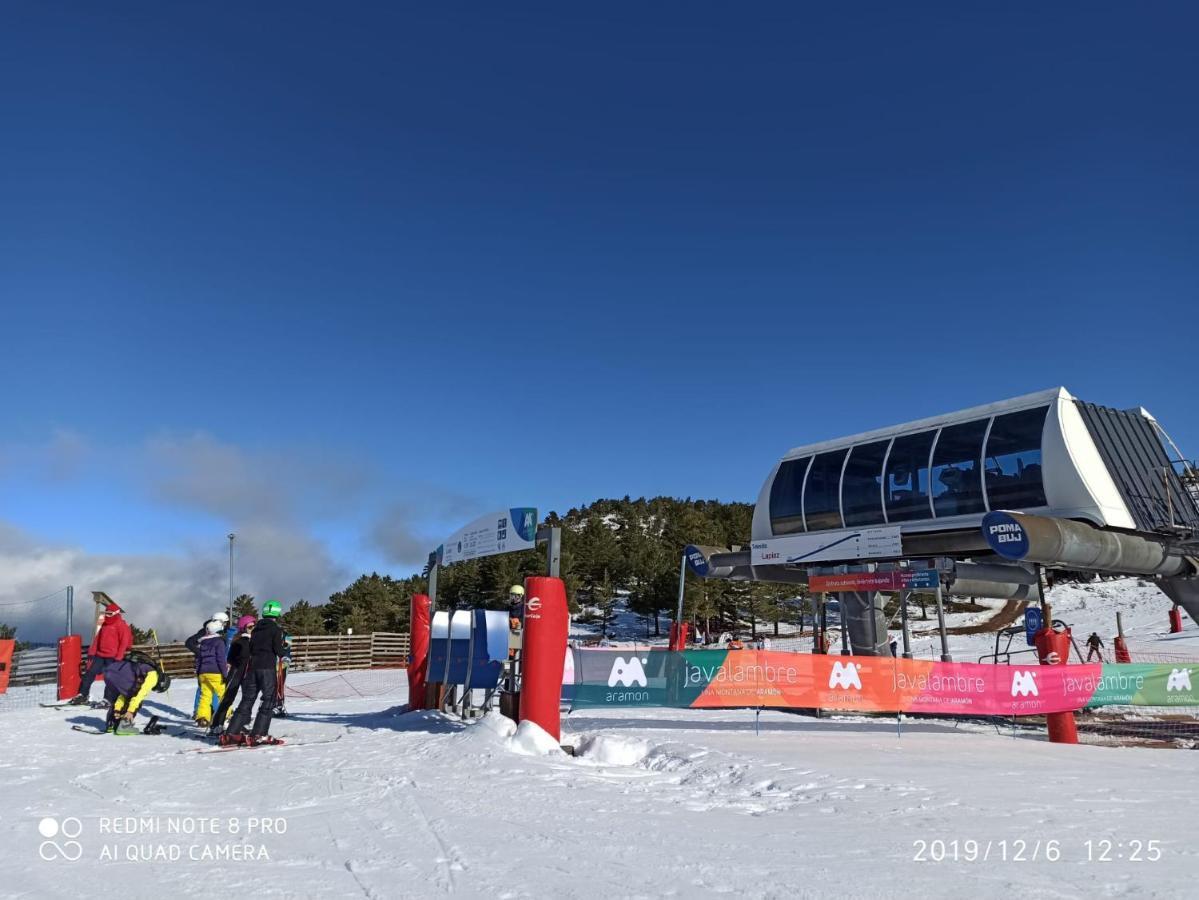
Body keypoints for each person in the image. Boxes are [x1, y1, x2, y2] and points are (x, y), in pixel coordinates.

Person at [223, 600, 286, 746]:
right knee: (268, 699)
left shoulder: (256, 629)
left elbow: (251, 647)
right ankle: (259, 734)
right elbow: (278, 649)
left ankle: (231, 732)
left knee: (247, 699)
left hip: (252, 669)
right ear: (277, 613)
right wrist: (285, 651)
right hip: (267, 668)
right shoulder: (276, 629)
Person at [71, 601, 133, 705]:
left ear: (116, 613)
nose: (107, 615)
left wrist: (119, 657)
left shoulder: (121, 625)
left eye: (109, 613)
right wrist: (92, 652)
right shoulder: (104, 624)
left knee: (110, 678)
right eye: (106, 613)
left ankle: (108, 699)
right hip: (100, 655)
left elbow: (124, 642)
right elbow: (97, 640)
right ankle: (82, 695)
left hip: (113, 657)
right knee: (89, 674)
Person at [102, 651, 171, 734]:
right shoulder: (153, 676)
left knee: (124, 695)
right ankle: (124, 726)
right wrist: (131, 711)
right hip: (121, 676)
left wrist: (117, 709)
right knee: (136, 699)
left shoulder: (145, 668)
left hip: (110, 672)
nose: (153, 689)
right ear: (161, 683)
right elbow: (141, 694)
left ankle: (112, 724)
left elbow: (123, 695)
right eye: (156, 689)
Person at [209, 615, 255, 737]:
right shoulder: (239, 641)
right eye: (250, 626)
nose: (253, 629)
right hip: (236, 672)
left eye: (254, 626)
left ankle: (244, 723)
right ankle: (216, 725)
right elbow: (230, 658)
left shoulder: (255, 641)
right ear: (243, 628)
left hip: (248, 674)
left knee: (247, 700)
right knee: (228, 699)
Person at [185, 612, 230, 720]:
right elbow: (189, 643)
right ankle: (226, 715)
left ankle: (204, 716)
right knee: (218, 693)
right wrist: (202, 654)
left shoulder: (218, 632)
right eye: (225, 623)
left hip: (205, 668)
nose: (226, 625)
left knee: (207, 693)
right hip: (213, 668)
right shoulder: (206, 631)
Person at [272, 631, 292, 718]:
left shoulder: (286, 636)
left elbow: (287, 649)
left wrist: (284, 662)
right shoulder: (270, 634)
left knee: (279, 685)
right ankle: (272, 704)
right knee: (271, 686)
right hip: (272, 665)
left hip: (282, 665)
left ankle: (279, 705)